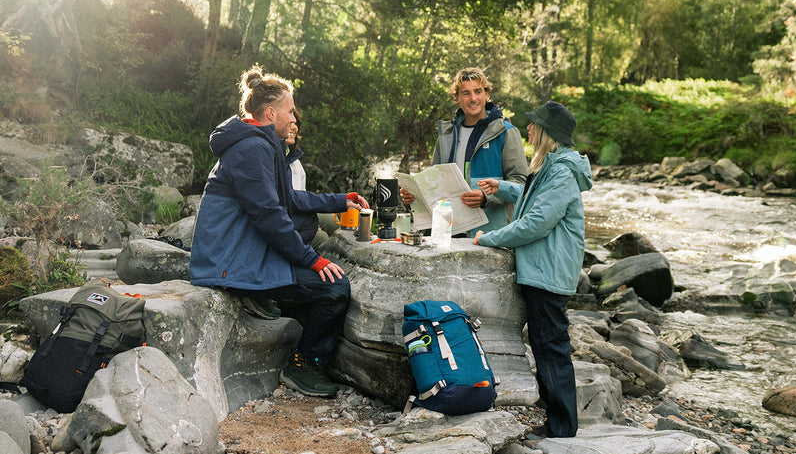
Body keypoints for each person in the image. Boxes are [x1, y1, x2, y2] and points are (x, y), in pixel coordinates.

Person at [189, 65, 369, 398]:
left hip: (242, 251)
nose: (293, 118)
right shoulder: (252, 149)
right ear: (271, 112)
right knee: (335, 287)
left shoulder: (260, 143)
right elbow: (270, 215)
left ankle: (266, 299)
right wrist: (312, 260)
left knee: (306, 229)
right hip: (230, 262)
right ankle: (303, 364)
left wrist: (340, 201)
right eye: (289, 111)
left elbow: (288, 198)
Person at [473, 101, 591, 438]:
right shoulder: (553, 164)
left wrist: (490, 238)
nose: (529, 129)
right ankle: (558, 419)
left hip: (549, 273)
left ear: (547, 134)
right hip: (542, 270)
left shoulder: (563, 170)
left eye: (534, 125)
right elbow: (532, 196)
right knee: (545, 346)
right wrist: (503, 187)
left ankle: (562, 427)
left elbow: (538, 222)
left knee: (551, 349)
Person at [399, 67, 528, 235]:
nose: (473, 98)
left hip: (492, 234)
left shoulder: (506, 132)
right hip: (449, 233)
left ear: (486, 94)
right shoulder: (445, 137)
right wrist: (415, 197)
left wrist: (486, 198)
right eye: (466, 93)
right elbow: (433, 186)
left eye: (478, 91)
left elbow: (521, 185)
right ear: (457, 98)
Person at [285, 110, 328, 248]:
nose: (294, 127)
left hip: (297, 213)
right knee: (322, 237)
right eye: (290, 122)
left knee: (333, 219)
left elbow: (301, 197)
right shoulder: (272, 158)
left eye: (296, 123)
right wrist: (308, 223)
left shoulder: (295, 162)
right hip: (286, 222)